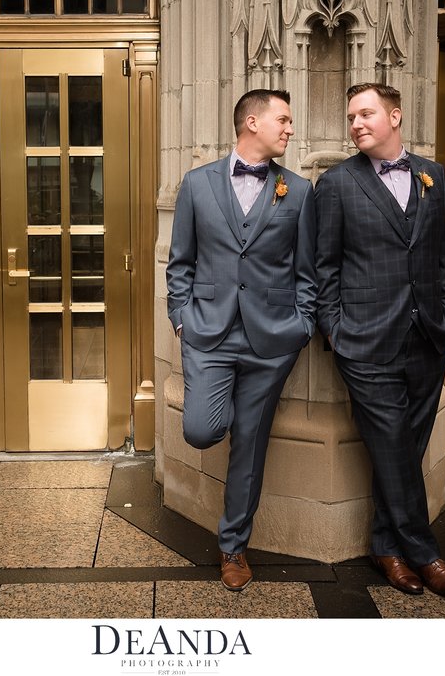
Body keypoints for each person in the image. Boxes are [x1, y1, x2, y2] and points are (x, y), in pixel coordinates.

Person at [314, 82, 445, 599]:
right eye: (351, 116)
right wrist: (336, 329)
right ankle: (423, 551)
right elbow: (323, 267)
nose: (356, 123)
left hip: (428, 336)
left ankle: (386, 546)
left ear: (395, 116)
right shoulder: (335, 184)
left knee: (404, 445)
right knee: (392, 441)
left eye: (366, 113)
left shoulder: (433, 176)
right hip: (365, 341)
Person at [167, 89, 316, 591]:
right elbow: (180, 262)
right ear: (251, 122)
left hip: (272, 339)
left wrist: (302, 324)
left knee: (251, 444)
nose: (290, 129)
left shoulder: (297, 190)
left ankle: (233, 547)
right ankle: (220, 404)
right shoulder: (196, 183)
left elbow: (307, 270)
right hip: (208, 332)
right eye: (284, 120)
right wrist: (181, 317)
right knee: (202, 429)